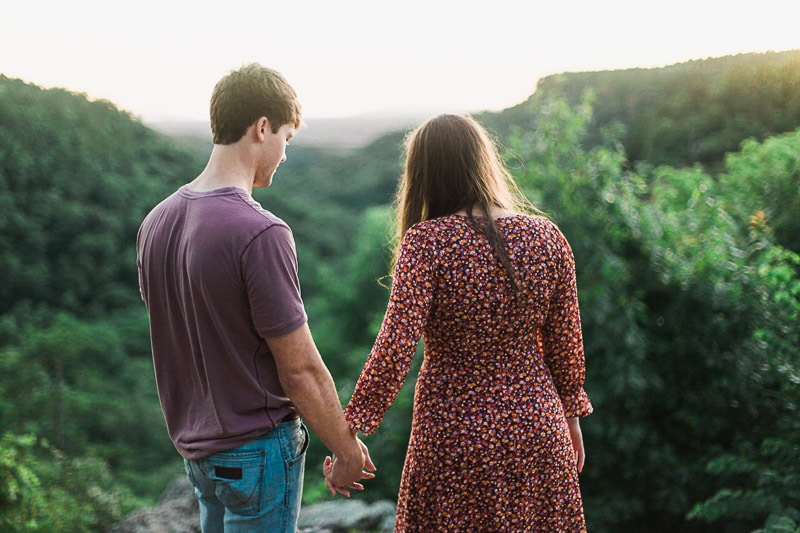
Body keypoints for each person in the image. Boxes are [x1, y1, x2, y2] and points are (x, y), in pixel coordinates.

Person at [136, 63, 375, 533]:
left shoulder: (155, 223)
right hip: (257, 452)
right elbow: (301, 369)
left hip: (198, 454)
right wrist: (346, 448)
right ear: (262, 127)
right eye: (286, 136)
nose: (285, 154)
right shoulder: (260, 231)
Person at [333, 114, 593, 531]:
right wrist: (570, 420)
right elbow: (566, 346)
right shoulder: (548, 237)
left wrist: (351, 431)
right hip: (539, 430)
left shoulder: (427, 242)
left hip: (455, 435)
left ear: (424, 175)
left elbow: (395, 347)